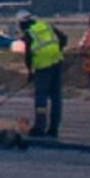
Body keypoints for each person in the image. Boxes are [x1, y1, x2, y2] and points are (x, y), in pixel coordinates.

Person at [17, 9, 67, 137]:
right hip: (57, 63)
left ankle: (40, 127)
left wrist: (30, 72)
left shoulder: (30, 33)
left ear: (23, 23)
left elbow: (28, 55)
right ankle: (54, 129)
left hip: (43, 68)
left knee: (41, 98)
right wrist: (56, 51)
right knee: (56, 98)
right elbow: (63, 38)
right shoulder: (46, 26)